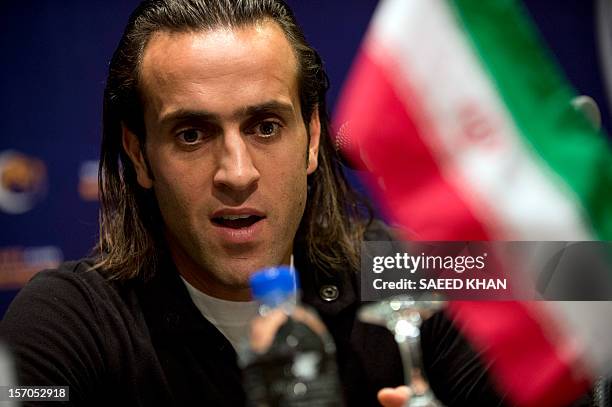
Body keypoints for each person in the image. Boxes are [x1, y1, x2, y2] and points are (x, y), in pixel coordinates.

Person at [0, 1, 504, 406]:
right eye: (192, 134)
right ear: (140, 155)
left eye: (266, 127)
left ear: (311, 138)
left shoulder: (406, 271)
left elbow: (576, 278)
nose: (237, 174)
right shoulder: (65, 320)